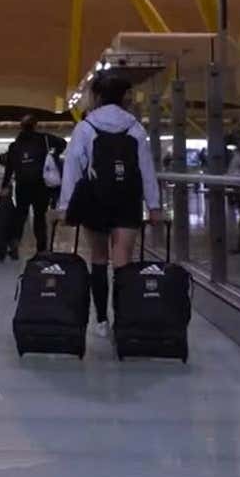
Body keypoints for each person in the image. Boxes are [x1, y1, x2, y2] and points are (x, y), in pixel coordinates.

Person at [52, 74, 162, 337]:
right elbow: (146, 170)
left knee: (99, 259)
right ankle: (124, 319)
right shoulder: (135, 127)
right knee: (123, 259)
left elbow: (73, 169)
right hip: (128, 201)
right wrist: (154, 205)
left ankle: (102, 321)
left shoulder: (86, 127)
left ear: (97, 96)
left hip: (95, 201)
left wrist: (66, 206)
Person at [1, 114, 67, 259]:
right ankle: (41, 249)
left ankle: (14, 245)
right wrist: (53, 154)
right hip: (40, 185)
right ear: (35, 125)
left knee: (20, 216)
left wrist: (5, 186)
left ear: (21, 127)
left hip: (22, 186)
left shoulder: (15, 145)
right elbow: (63, 143)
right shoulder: (44, 139)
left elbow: (9, 168)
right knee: (39, 217)